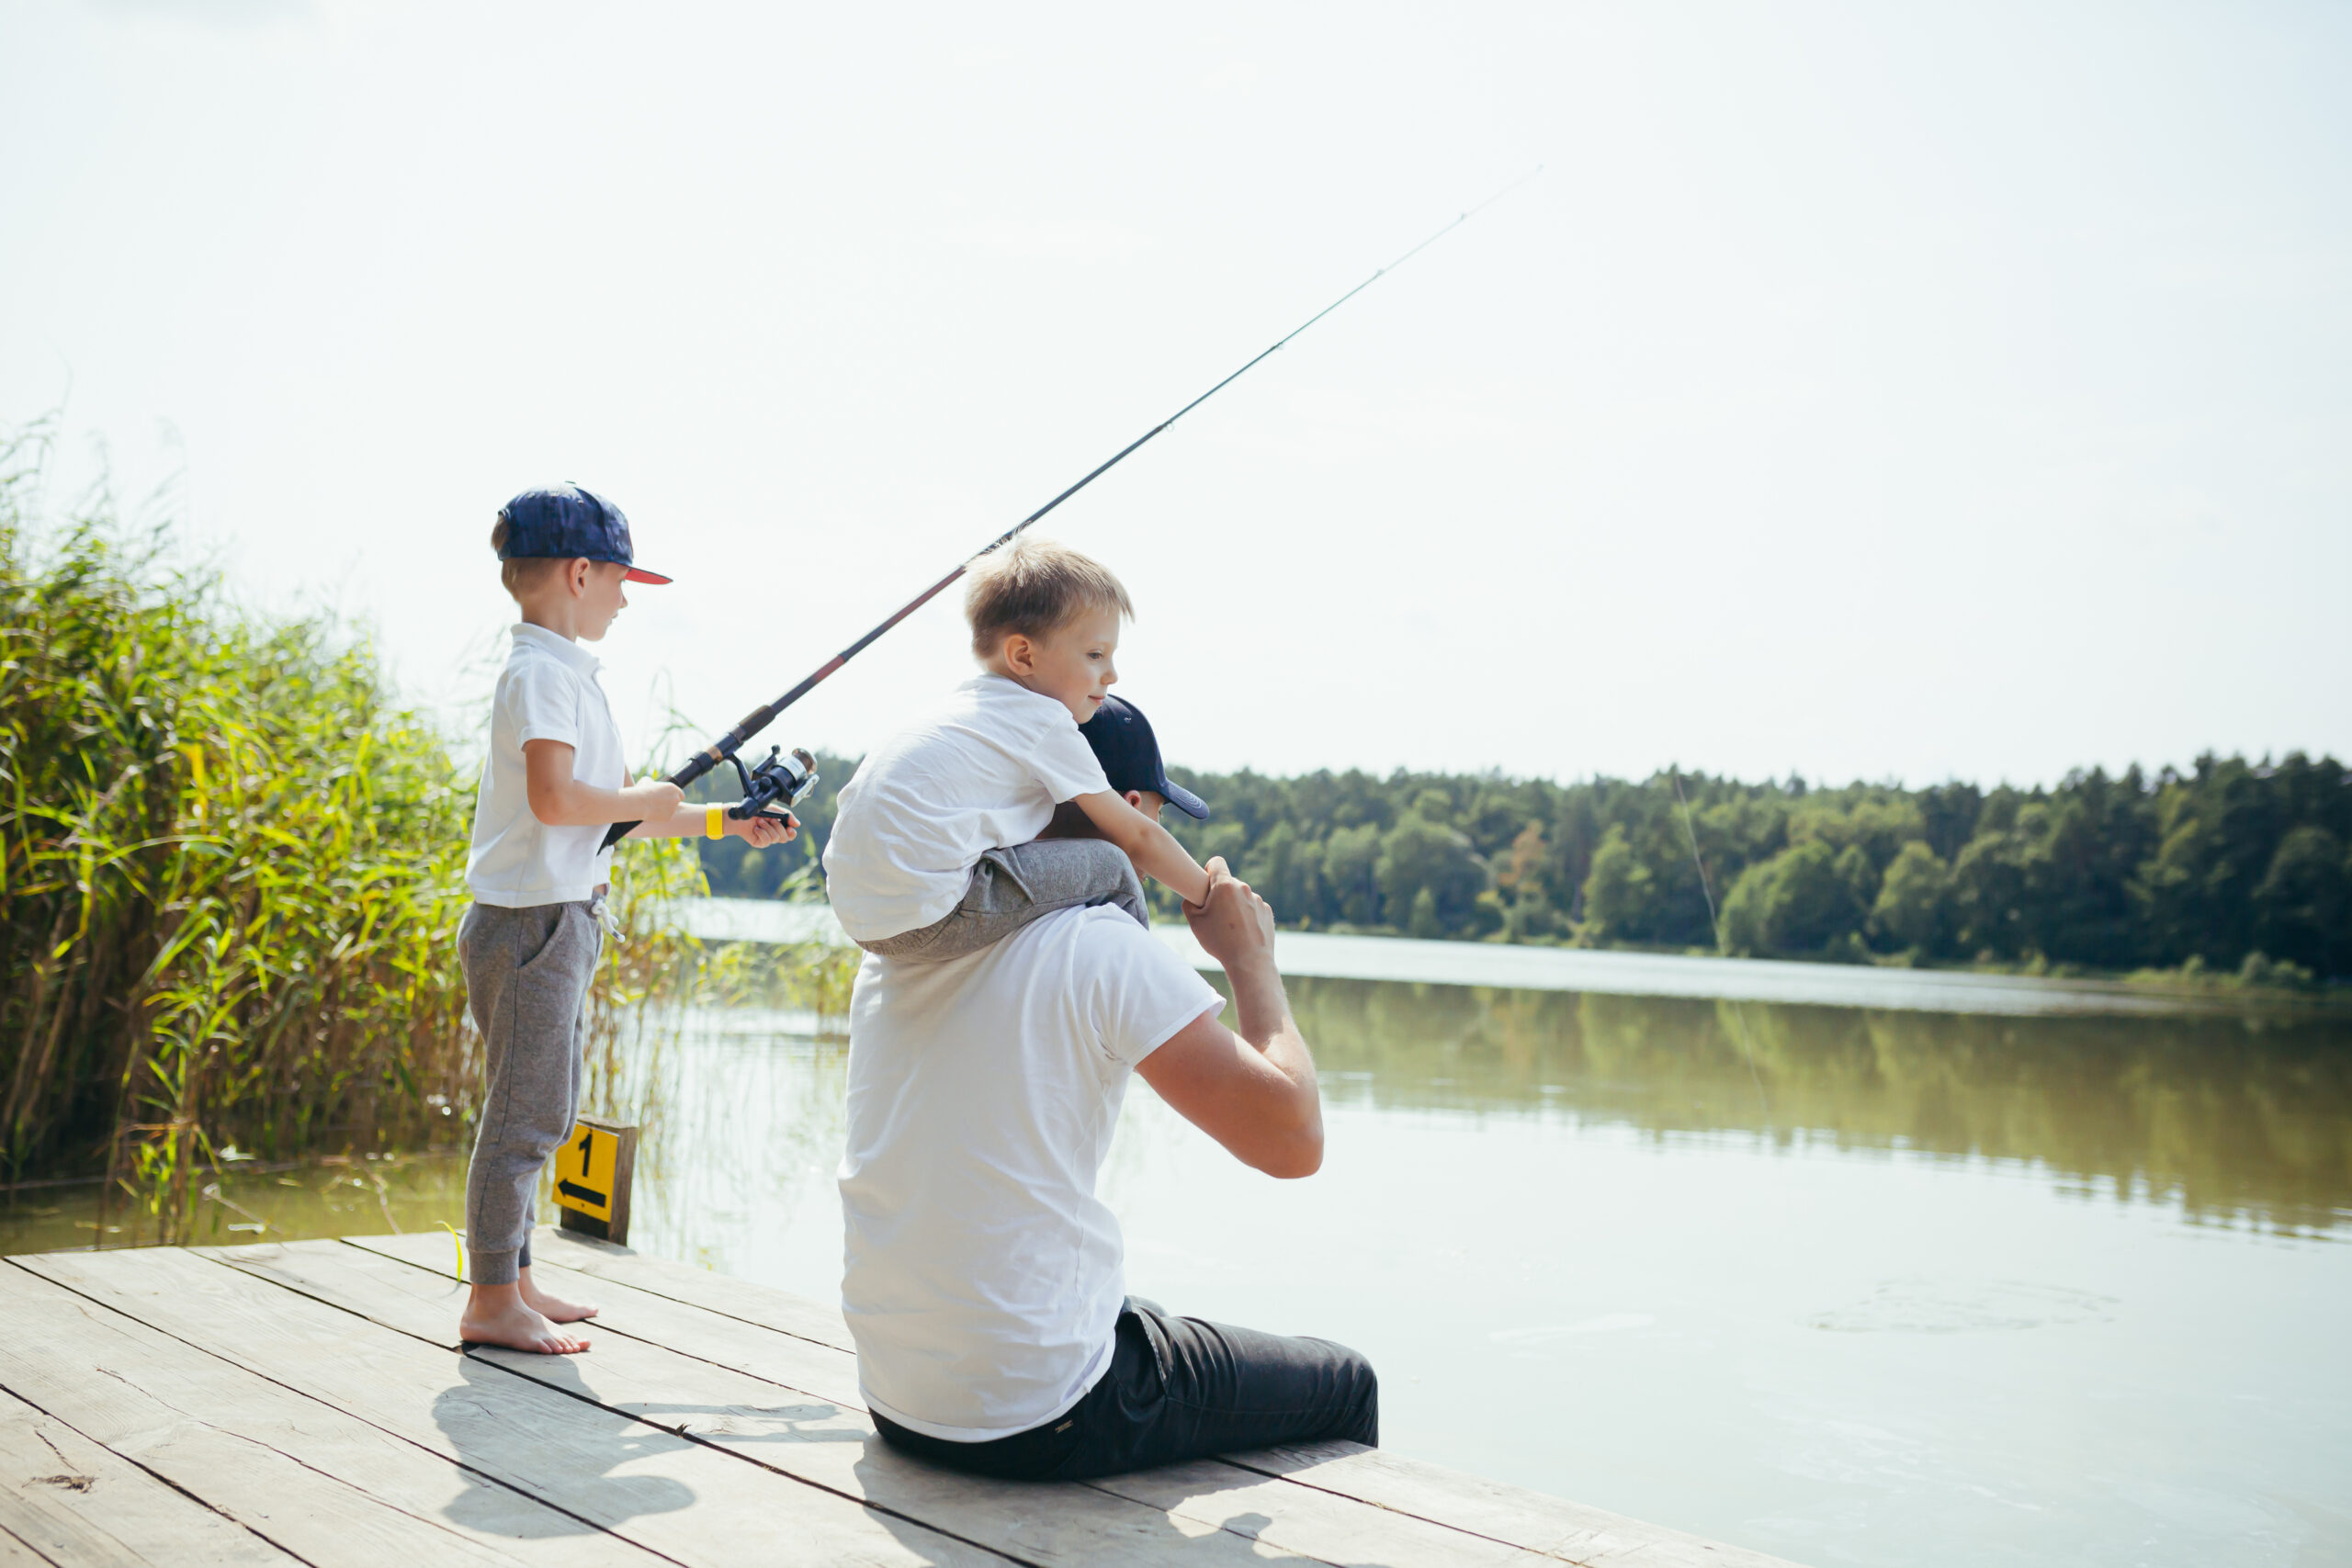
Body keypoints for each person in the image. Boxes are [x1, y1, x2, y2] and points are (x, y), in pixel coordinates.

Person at [839, 705, 1377, 1481]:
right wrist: (1252, 962)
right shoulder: (1100, 942)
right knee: (1345, 1381)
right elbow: (1293, 1142)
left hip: (896, 1394)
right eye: (1158, 813)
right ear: (1129, 813)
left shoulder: (905, 946)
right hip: (1042, 1411)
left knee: (1144, 1318)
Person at [458, 482, 794, 1355]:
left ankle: (516, 1278)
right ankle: (490, 1298)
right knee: (524, 1115)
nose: (625, 596)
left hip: (556, 918)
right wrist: (641, 794)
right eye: (619, 579)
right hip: (533, 923)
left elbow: (610, 813)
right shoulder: (541, 675)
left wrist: (726, 818)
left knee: (544, 1106)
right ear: (578, 572)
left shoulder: (564, 675)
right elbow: (558, 798)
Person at [820, 536, 1213, 963]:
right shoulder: (1043, 721)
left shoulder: (962, 709)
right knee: (1113, 866)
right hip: (927, 913)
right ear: (1023, 655)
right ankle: (1139, 986)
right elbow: (1136, 835)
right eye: (1095, 654)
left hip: (858, 918)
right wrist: (1214, 898)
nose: (1112, 675)